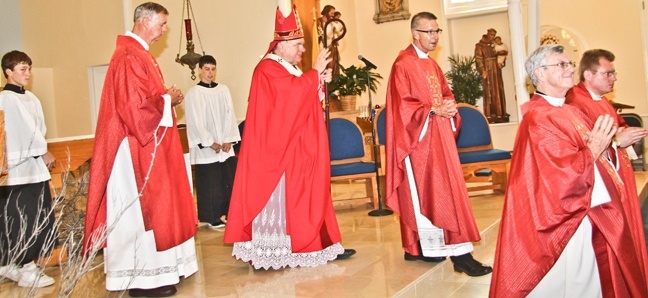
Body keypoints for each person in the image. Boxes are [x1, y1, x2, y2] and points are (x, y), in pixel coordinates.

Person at [490, 44, 648, 297]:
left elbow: (594, 152)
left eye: (570, 64)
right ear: (540, 74)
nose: (570, 69)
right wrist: (594, 148)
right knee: (573, 279)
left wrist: (611, 144)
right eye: (562, 64)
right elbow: (559, 174)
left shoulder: (568, 110)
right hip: (567, 217)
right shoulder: (539, 117)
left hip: (589, 207)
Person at [224, 5, 355, 270]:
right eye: (298, 44)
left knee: (310, 195)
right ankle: (284, 248)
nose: (303, 50)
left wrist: (318, 81)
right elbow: (288, 100)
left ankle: (318, 243)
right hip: (279, 155)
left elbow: (300, 98)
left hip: (298, 148)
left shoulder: (288, 68)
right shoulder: (267, 69)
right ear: (281, 45)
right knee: (291, 199)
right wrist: (315, 73)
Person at [83, 2, 198, 297]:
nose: (163, 31)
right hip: (133, 150)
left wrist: (164, 98)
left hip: (144, 146)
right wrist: (166, 100)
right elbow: (134, 109)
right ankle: (141, 279)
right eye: (161, 25)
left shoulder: (137, 54)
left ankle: (156, 272)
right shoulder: (127, 55)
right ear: (144, 22)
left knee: (155, 209)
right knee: (140, 212)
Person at [385, 11, 492, 277]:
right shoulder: (403, 64)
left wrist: (449, 106)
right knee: (435, 193)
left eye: (437, 31)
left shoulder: (431, 65)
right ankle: (456, 253)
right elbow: (402, 107)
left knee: (447, 191)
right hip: (419, 143)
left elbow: (445, 94)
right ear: (415, 33)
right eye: (429, 32)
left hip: (440, 138)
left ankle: (427, 248)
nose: (434, 37)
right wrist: (432, 110)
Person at [566, 48, 648, 282]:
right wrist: (616, 141)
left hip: (618, 175)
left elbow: (617, 129)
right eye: (608, 73)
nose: (614, 78)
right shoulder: (575, 101)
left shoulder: (601, 101)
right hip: (599, 184)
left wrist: (624, 134)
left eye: (614, 73)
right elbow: (581, 145)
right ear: (589, 75)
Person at [0, 50, 56, 288]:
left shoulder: (31, 98)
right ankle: (24, 267)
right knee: (21, 218)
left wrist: (41, 146)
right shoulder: (5, 99)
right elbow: (20, 130)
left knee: (38, 216)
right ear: (8, 72)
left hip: (34, 170)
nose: (28, 73)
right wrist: (42, 150)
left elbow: (38, 128)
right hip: (17, 172)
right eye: (22, 69)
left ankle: (21, 264)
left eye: (29, 68)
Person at [185, 55, 240, 230]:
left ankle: (229, 214)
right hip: (207, 149)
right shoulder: (194, 93)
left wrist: (228, 139)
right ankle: (212, 217)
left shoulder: (223, 90)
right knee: (211, 182)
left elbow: (229, 115)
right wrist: (210, 142)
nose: (210, 73)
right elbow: (195, 121)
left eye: (213, 69)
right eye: (207, 69)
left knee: (227, 180)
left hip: (224, 146)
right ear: (200, 70)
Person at [474, 29, 508, 123]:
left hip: (496, 70)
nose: (492, 36)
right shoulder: (480, 45)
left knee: (498, 89)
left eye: (494, 35)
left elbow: (502, 55)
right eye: (491, 34)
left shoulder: (495, 44)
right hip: (487, 70)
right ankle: (490, 114)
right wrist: (482, 70)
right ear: (487, 33)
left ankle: (500, 113)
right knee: (489, 91)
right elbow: (478, 58)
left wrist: (502, 61)